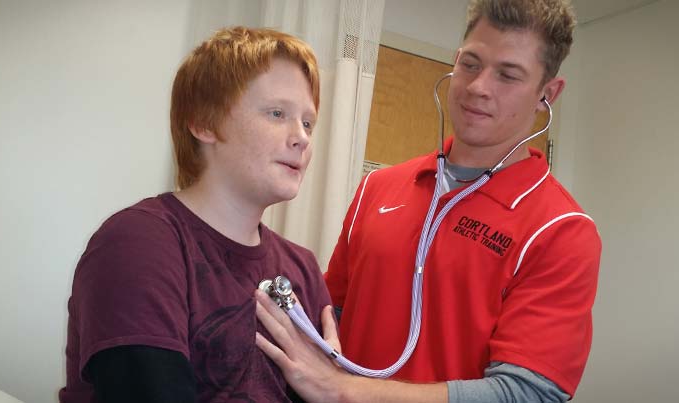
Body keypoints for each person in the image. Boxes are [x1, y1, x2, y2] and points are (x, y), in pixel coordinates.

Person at [254, 0, 601, 402]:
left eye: (508, 75)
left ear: (548, 93)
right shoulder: (379, 187)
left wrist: (343, 392)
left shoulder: (561, 230)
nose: (478, 87)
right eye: (470, 64)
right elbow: (330, 320)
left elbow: (524, 393)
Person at [59, 26, 332, 403]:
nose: (301, 137)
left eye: (307, 123)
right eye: (276, 113)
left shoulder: (303, 270)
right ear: (203, 122)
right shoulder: (138, 244)